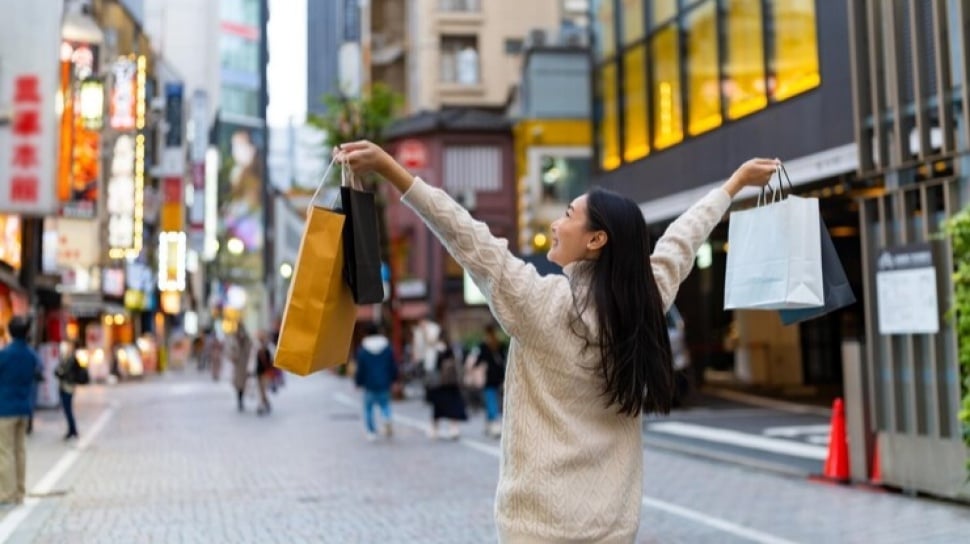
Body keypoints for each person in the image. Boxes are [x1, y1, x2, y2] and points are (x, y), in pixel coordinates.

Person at [336, 141, 779, 542]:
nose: (556, 223)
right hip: (612, 526)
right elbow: (682, 240)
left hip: (536, 528)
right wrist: (733, 184)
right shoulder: (644, 300)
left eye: (568, 215)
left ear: (596, 239)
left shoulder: (540, 304)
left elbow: (465, 235)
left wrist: (392, 170)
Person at [0, 316, 42, 506]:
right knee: (20, 450)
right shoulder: (31, 354)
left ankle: (7, 494)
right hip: (24, 407)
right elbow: (38, 373)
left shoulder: (4, 354)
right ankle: (20, 491)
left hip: (5, 408)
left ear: (9, 332)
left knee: (5, 452)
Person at [420, 325, 466, 440]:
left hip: (439, 383)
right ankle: (454, 429)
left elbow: (430, 366)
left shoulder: (435, 349)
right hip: (451, 383)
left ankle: (434, 429)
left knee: (438, 408)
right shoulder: (453, 349)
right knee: (453, 406)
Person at [354, 323, 398, 440]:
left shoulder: (363, 350)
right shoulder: (387, 347)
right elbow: (392, 365)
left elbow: (361, 368)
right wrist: (394, 379)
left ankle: (371, 431)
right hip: (384, 381)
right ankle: (387, 418)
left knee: (368, 408)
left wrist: (358, 382)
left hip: (369, 383)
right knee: (385, 404)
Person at [467, 323, 506, 439]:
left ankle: (495, 424)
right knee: (493, 399)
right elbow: (504, 359)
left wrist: (471, 368)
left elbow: (479, 360)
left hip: (489, 376)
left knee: (490, 399)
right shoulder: (500, 344)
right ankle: (489, 425)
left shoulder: (484, 345)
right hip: (499, 376)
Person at [55, 341, 86, 440]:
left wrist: (61, 373)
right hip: (64, 386)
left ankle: (72, 430)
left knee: (68, 409)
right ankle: (72, 429)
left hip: (68, 386)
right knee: (66, 409)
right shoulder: (65, 358)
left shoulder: (71, 359)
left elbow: (66, 372)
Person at [228, 324, 253, 413]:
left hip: (245, 364)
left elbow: (250, 348)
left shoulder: (247, 339)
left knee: (243, 383)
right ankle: (239, 400)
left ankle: (241, 399)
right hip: (237, 365)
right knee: (238, 384)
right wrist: (233, 356)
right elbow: (230, 350)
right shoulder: (234, 339)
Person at [254, 330, 274, 416]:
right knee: (260, 390)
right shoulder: (256, 347)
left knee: (263, 390)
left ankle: (261, 406)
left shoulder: (268, 347)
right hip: (258, 372)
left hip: (265, 372)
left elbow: (271, 360)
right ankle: (266, 404)